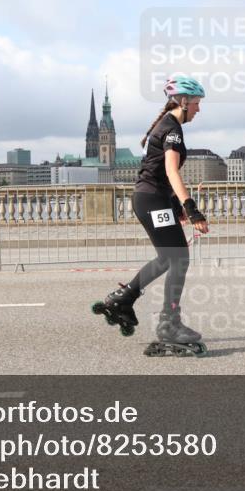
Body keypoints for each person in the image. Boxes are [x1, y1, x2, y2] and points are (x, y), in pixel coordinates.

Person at [91, 76, 210, 355]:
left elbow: (155, 171)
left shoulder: (165, 125)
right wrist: (192, 210)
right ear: (183, 101)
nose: (198, 110)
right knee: (178, 258)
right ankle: (169, 323)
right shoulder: (172, 129)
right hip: (152, 200)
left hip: (153, 199)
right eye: (196, 103)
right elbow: (170, 171)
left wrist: (175, 207)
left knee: (170, 258)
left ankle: (123, 297)